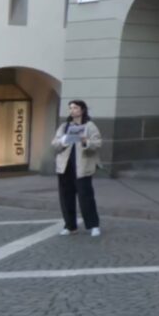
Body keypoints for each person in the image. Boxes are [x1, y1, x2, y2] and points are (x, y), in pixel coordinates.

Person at [52, 100, 103, 237]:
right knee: (66, 197)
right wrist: (63, 140)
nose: (72, 110)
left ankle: (93, 225)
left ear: (82, 110)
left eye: (75, 108)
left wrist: (86, 141)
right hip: (65, 167)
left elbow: (97, 143)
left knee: (86, 198)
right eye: (70, 108)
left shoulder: (89, 125)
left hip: (82, 167)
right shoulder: (64, 126)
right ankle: (70, 226)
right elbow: (55, 144)